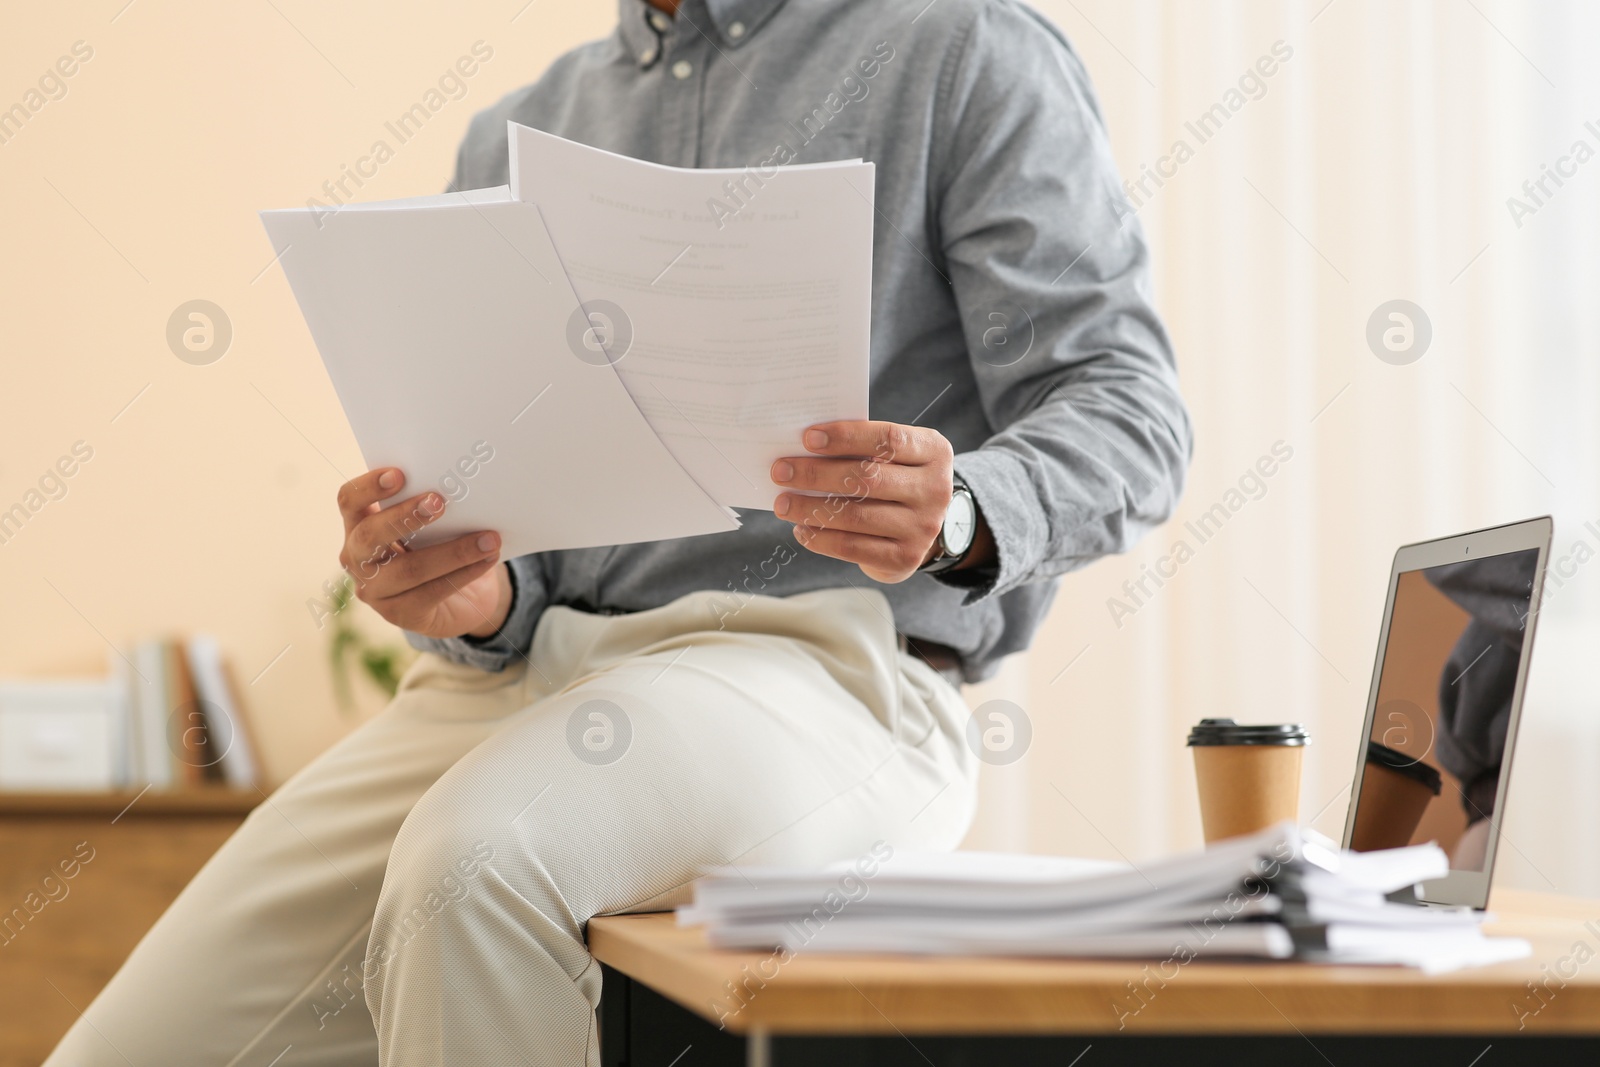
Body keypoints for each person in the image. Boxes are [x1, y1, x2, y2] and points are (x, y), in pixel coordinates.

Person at [45, 0, 1191, 1064]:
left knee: (478, 862)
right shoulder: (516, 132)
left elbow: (1130, 412)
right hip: (520, 688)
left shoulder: (961, 50)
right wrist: (471, 599)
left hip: (825, 673)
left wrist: (960, 511)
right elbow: (510, 550)